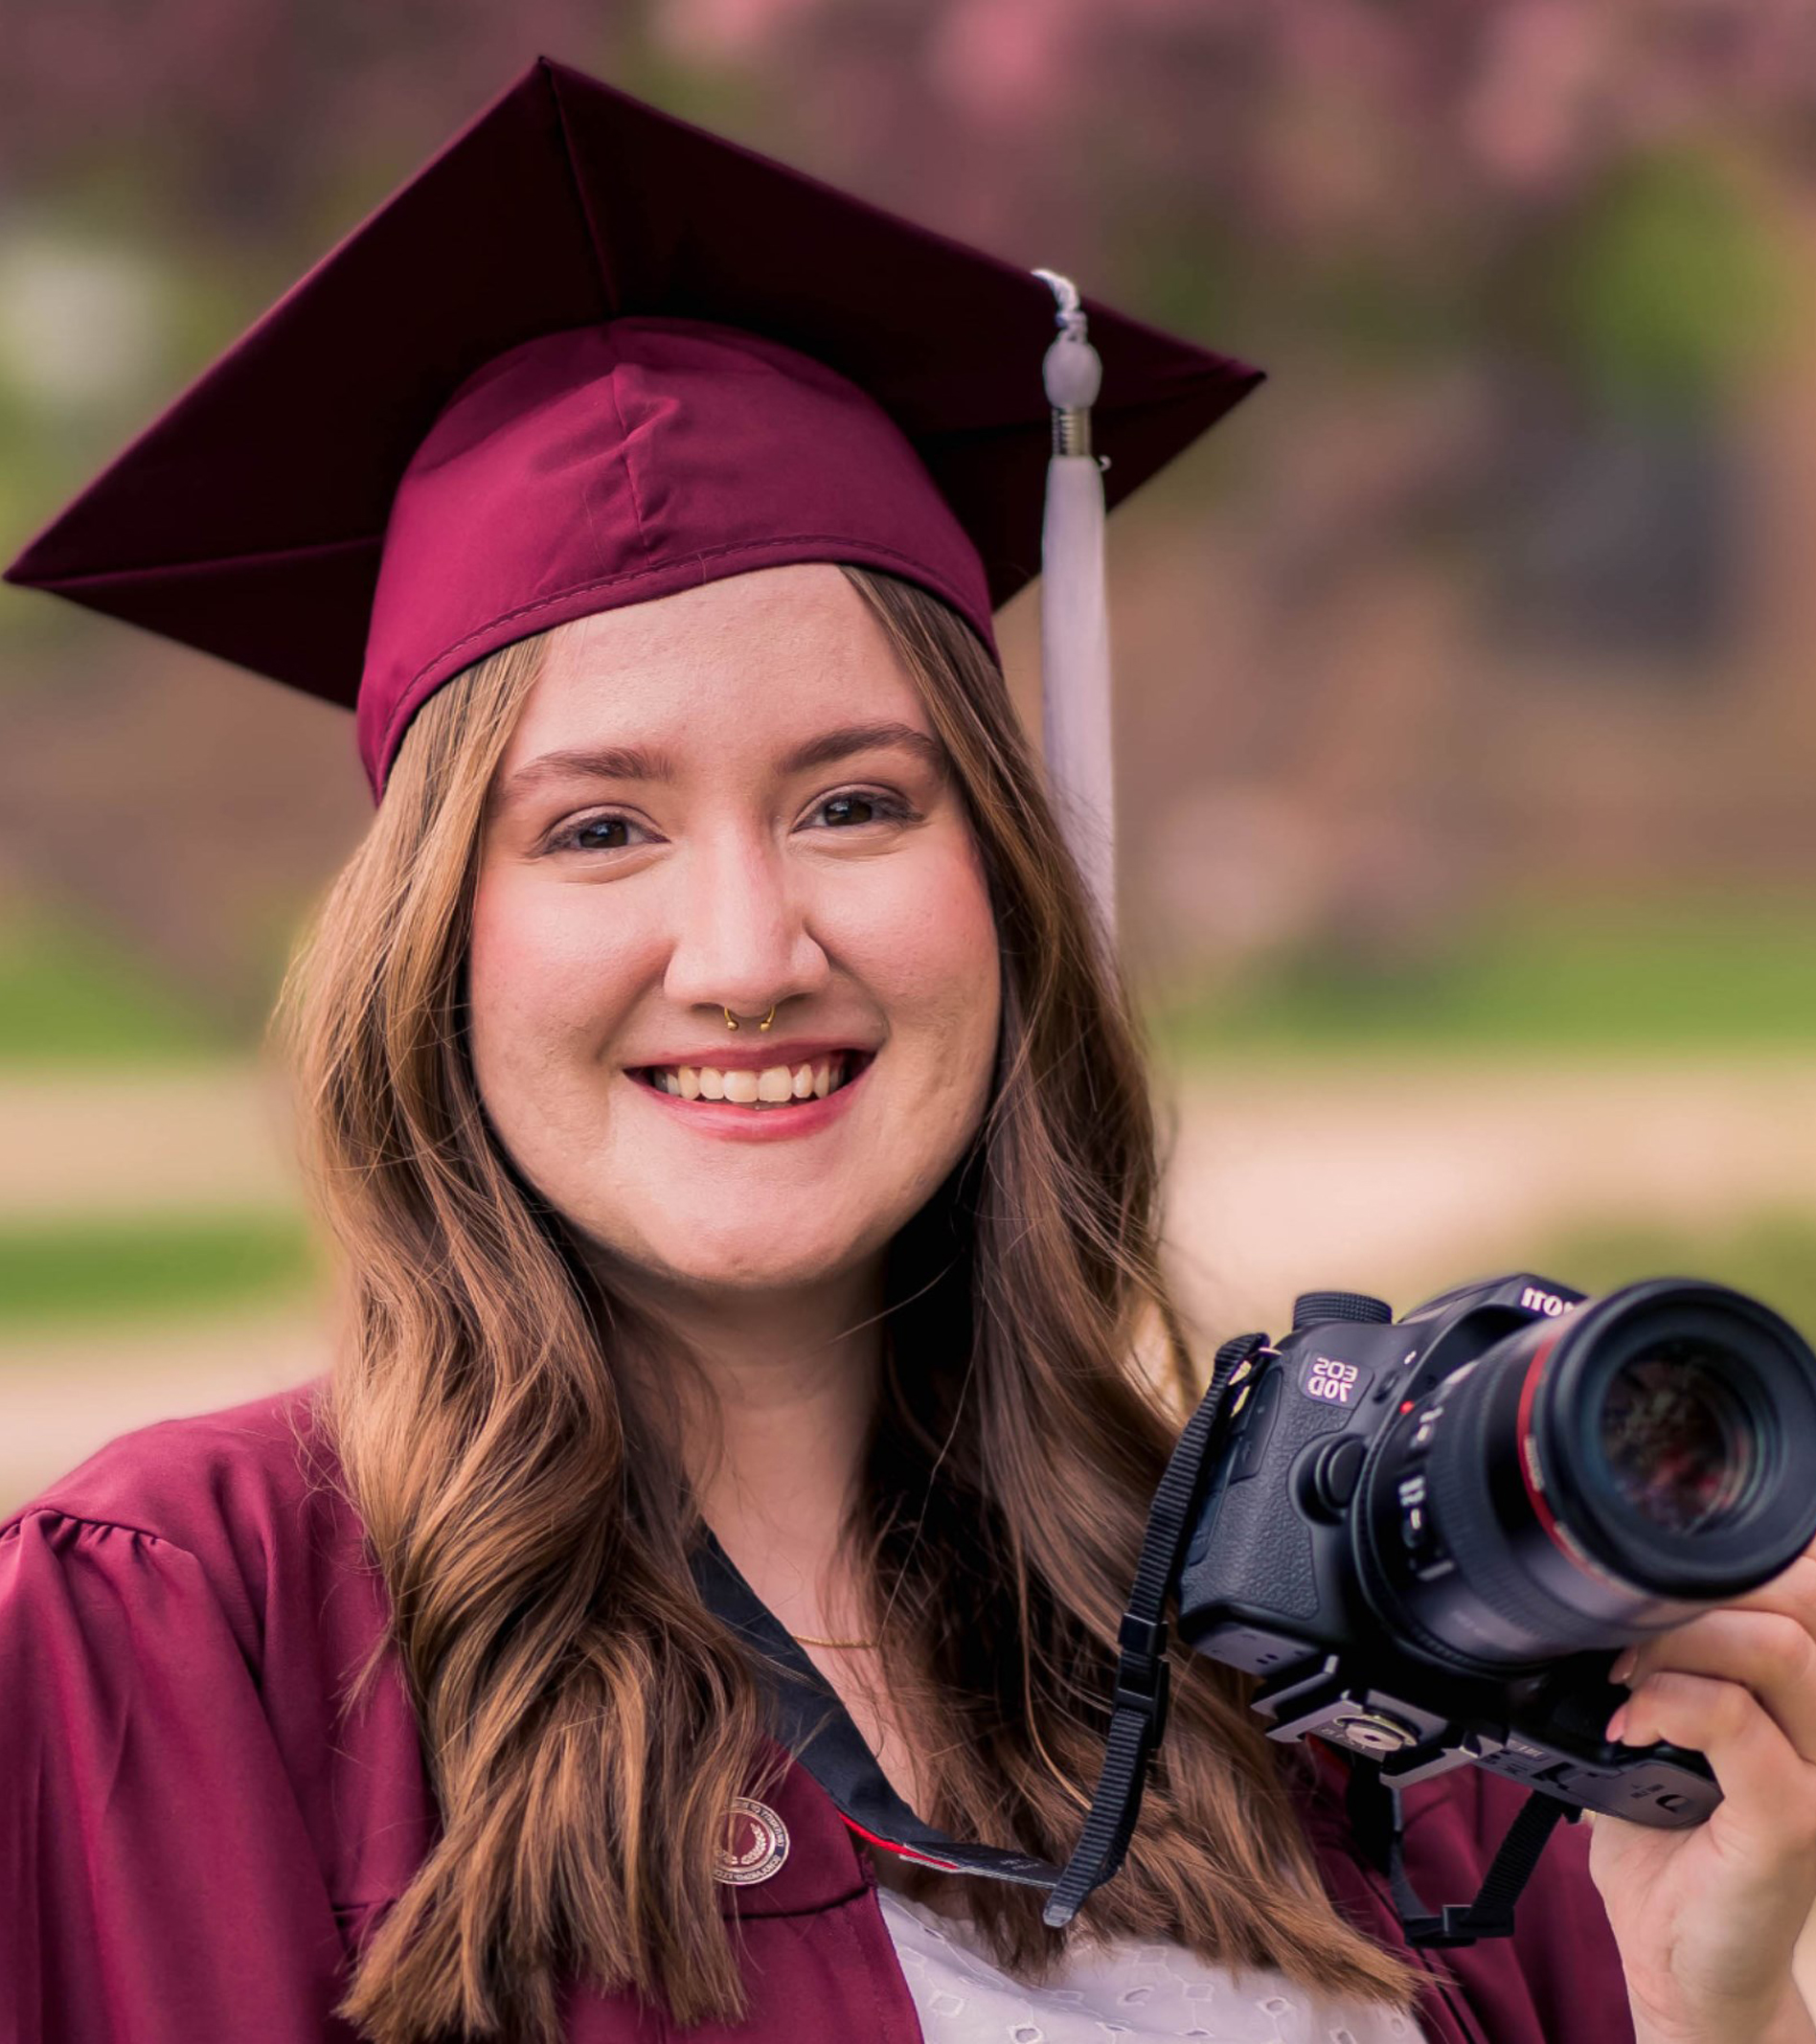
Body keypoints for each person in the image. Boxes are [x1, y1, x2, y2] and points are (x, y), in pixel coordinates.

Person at [5, 54, 1816, 2044]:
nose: (750, 947)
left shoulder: (1341, 1659)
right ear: (439, 942)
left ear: (1009, 879)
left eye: (857, 801)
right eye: (599, 826)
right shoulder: (177, 1638)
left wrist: (1703, 1999)